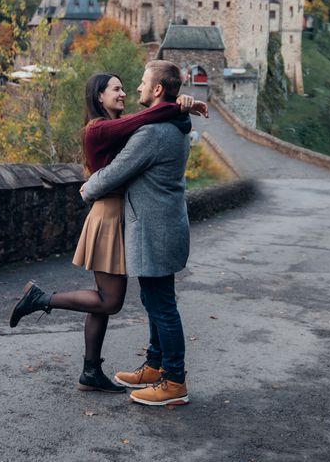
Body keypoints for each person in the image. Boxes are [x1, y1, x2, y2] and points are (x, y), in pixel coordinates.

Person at [9, 71, 206, 394]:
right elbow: (148, 119)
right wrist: (180, 105)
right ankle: (42, 299)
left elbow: (152, 121)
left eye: (127, 87)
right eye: (116, 89)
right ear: (98, 96)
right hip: (109, 215)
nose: (125, 92)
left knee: (105, 299)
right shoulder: (99, 129)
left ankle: (91, 371)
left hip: (123, 215)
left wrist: (181, 104)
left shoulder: (128, 127)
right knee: (109, 300)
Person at [81, 60, 199, 407]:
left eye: (144, 83)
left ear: (158, 89)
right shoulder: (175, 124)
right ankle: (155, 364)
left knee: (161, 305)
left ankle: (174, 381)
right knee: (155, 300)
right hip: (166, 225)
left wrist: (88, 188)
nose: (137, 89)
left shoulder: (151, 133)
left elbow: (117, 172)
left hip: (154, 229)